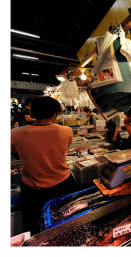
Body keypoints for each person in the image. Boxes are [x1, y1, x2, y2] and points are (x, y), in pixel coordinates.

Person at [11, 96, 79, 235]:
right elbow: (63, 149)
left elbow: (15, 153)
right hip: (61, 184)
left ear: (33, 112)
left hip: (31, 188)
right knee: (63, 223)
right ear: (55, 114)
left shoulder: (15, 133)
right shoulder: (66, 131)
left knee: (33, 227)